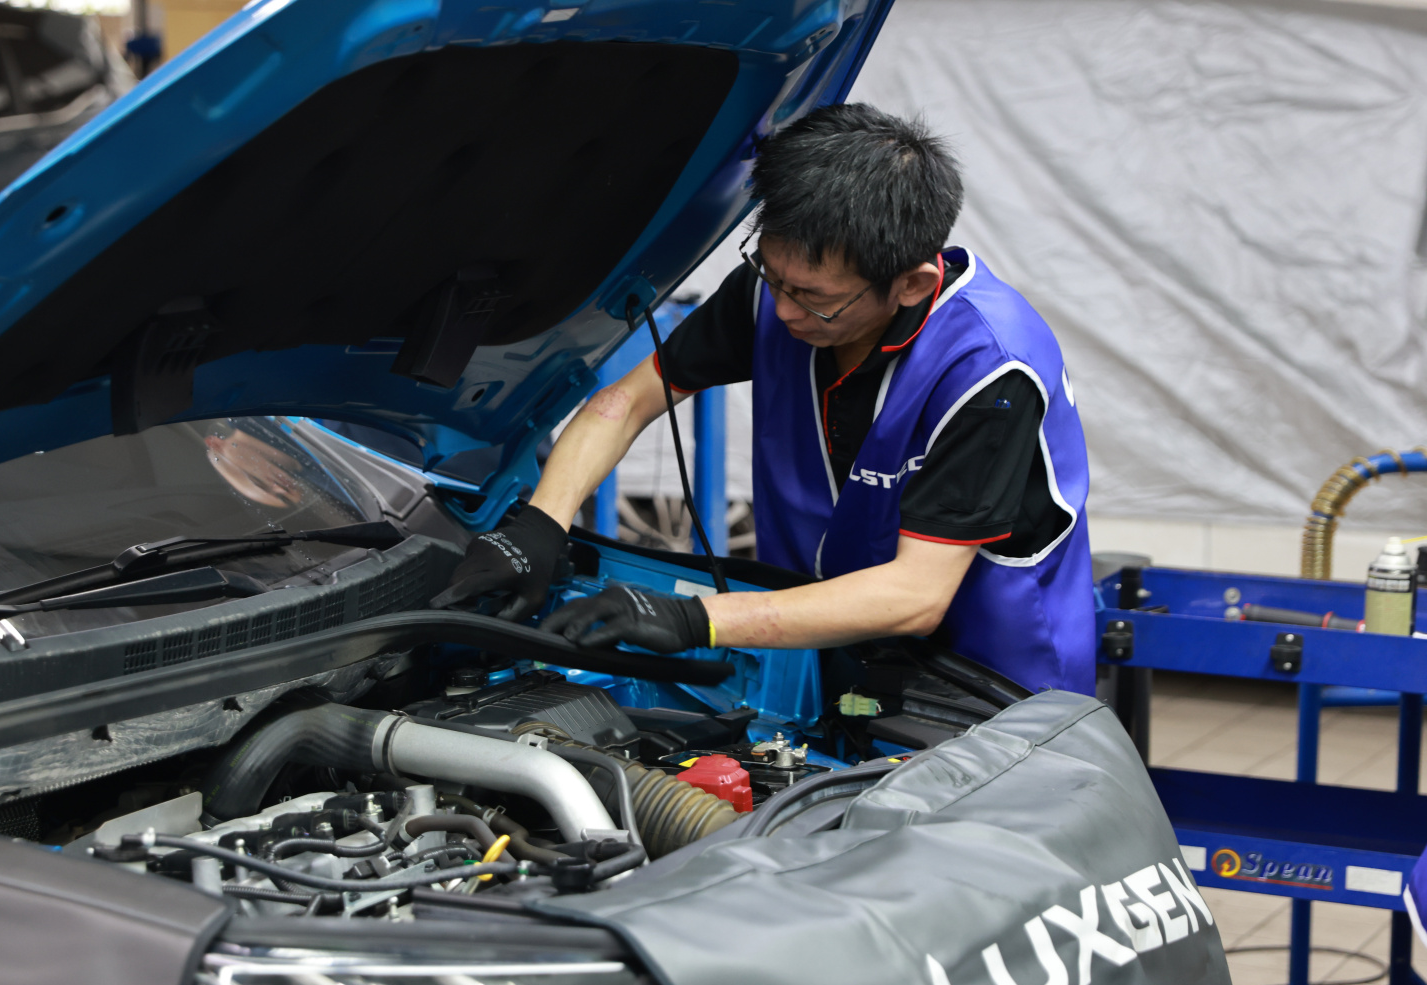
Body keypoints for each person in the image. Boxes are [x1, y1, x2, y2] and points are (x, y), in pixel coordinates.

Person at [431, 103, 1094, 696]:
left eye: (814, 298)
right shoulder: (772, 298)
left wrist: (694, 619)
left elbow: (916, 594)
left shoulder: (989, 370)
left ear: (912, 285)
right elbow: (627, 402)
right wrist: (542, 524)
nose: (784, 311)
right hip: (827, 646)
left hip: (986, 683)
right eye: (773, 277)